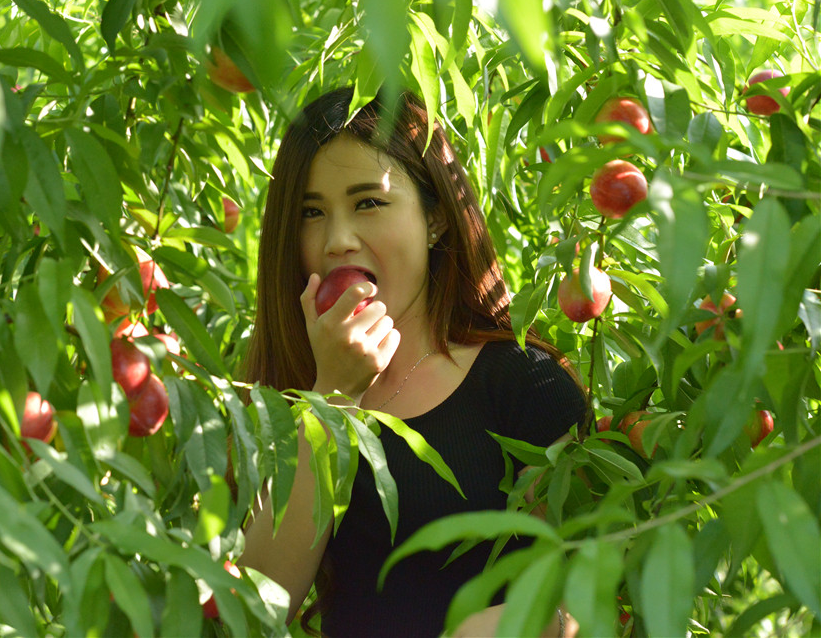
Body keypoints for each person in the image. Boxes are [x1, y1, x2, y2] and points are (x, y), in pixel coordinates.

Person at [239, 87, 588, 637]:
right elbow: (252, 610)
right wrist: (333, 397)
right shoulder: (282, 392)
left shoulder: (528, 386)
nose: (338, 240)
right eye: (311, 212)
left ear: (436, 220)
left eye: (368, 202)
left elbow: (586, 601)